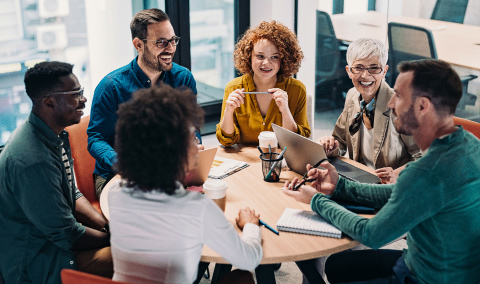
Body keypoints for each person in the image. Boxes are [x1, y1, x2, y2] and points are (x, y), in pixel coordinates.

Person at [284, 59, 480, 284]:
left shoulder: (426, 172)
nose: (391, 103)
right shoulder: (469, 144)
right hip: (429, 263)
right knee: (337, 265)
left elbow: (371, 234)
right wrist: (339, 186)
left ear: (422, 106)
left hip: (425, 278)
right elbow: (399, 193)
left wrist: (317, 200)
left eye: (398, 95)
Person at [108, 85, 263, 284]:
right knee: (242, 278)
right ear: (172, 150)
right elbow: (249, 258)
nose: (199, 145)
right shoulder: (195, 207)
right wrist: (250, 226)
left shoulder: (116, 193)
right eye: (191, 138)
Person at [0, 61, 113, 284]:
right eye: (76, 93)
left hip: (57, 244)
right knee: (145, 257)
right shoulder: (32, 160)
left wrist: (105, 223)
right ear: (49, 101)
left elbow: (71, 191)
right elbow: (67, 234)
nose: (84, 99)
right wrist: (115, 239)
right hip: (42, 264)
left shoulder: (53, 134)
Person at [87, 8, 199, 199]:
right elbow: (95, 138)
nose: (171, 49)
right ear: (138, 45)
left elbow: (192, 126)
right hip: (117, 175)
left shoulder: (183, 78)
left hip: (168, 170)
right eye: (161, 42)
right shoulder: (111, 86)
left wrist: (194, 144)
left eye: (173, 40)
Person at [318, 38, 420, 184]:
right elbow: (340, 141)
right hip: (359, 180)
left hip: (391, 189)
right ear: (349, 71)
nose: (365, 75)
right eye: (358, 68)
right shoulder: (352, 96)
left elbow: (425, 157)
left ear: (384, 71)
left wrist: (397, 174)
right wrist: (329, 146)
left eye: (374, 68)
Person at [216, 20, 310, 146]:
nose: (266, 63)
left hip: (281, 161)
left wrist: (285, 110)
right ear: (249, 56)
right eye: (260, 56)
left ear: (284, 59)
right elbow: (226, 140)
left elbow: (298, 142)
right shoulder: (233, 88)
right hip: (246, 162)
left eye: (274, 57)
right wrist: (228, 111)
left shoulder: (297, 90)